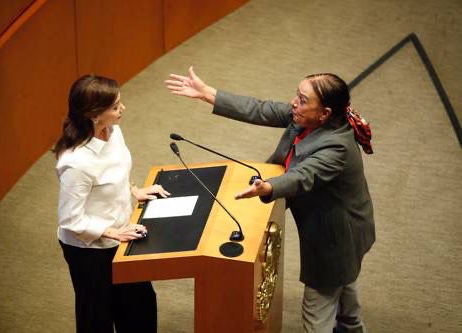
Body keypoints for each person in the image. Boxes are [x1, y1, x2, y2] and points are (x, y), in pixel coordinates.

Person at [165, 67, 375, 333]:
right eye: (297, 96)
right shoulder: (308, 117)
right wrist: (209, 94)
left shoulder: (337, 147)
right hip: (345, 229)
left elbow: (302, 176)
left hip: (335, 238)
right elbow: (260, 109)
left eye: (302, 99)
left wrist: (269, 187)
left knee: (317, 314)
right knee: (346, 297)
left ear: (324, 114)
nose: (293, 103)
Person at [53, 74, 169, 333]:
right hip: (89, 250)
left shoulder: (113, 131)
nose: (122, 109)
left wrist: (133, 191)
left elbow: (115, 172)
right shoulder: (76, 163)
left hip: (121, 236)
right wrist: (111, 232)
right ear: (95, 115)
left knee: (140, 308)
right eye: (116, 106)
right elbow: (70, 219)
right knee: (97, 318)